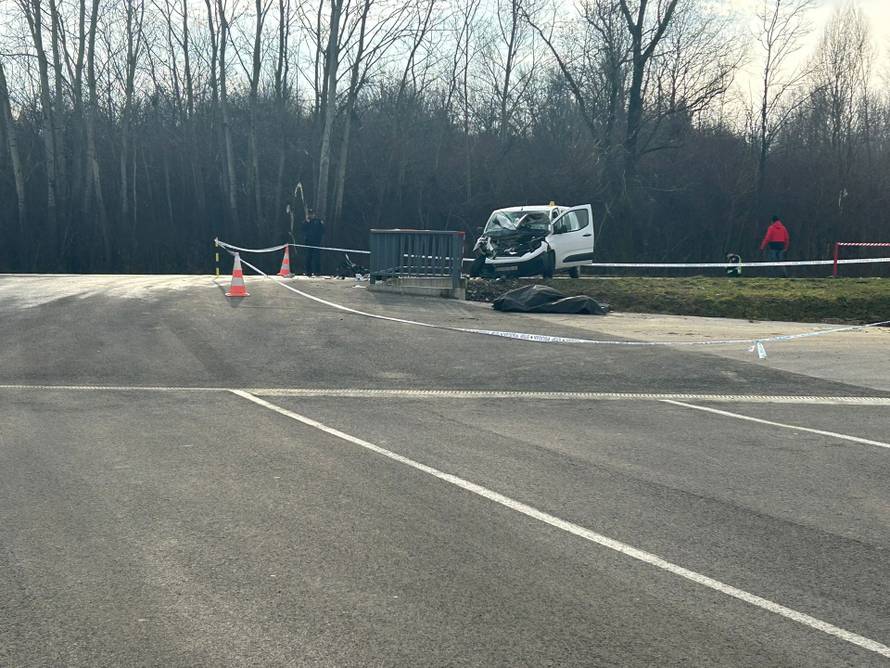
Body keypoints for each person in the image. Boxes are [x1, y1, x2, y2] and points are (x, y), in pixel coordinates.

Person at [302, 209, 325, 276]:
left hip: (317, 243)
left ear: (314, 214)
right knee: (308, 258)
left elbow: (323, 231)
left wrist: (319, 237)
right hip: (308, 243)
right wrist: (306, 222)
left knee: (317, 258)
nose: (310, 215)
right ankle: (308, 272)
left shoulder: (318, 222)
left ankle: (317, 272)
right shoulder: (306, 222)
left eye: (311, 214)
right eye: (309, 214)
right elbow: (302, 229)